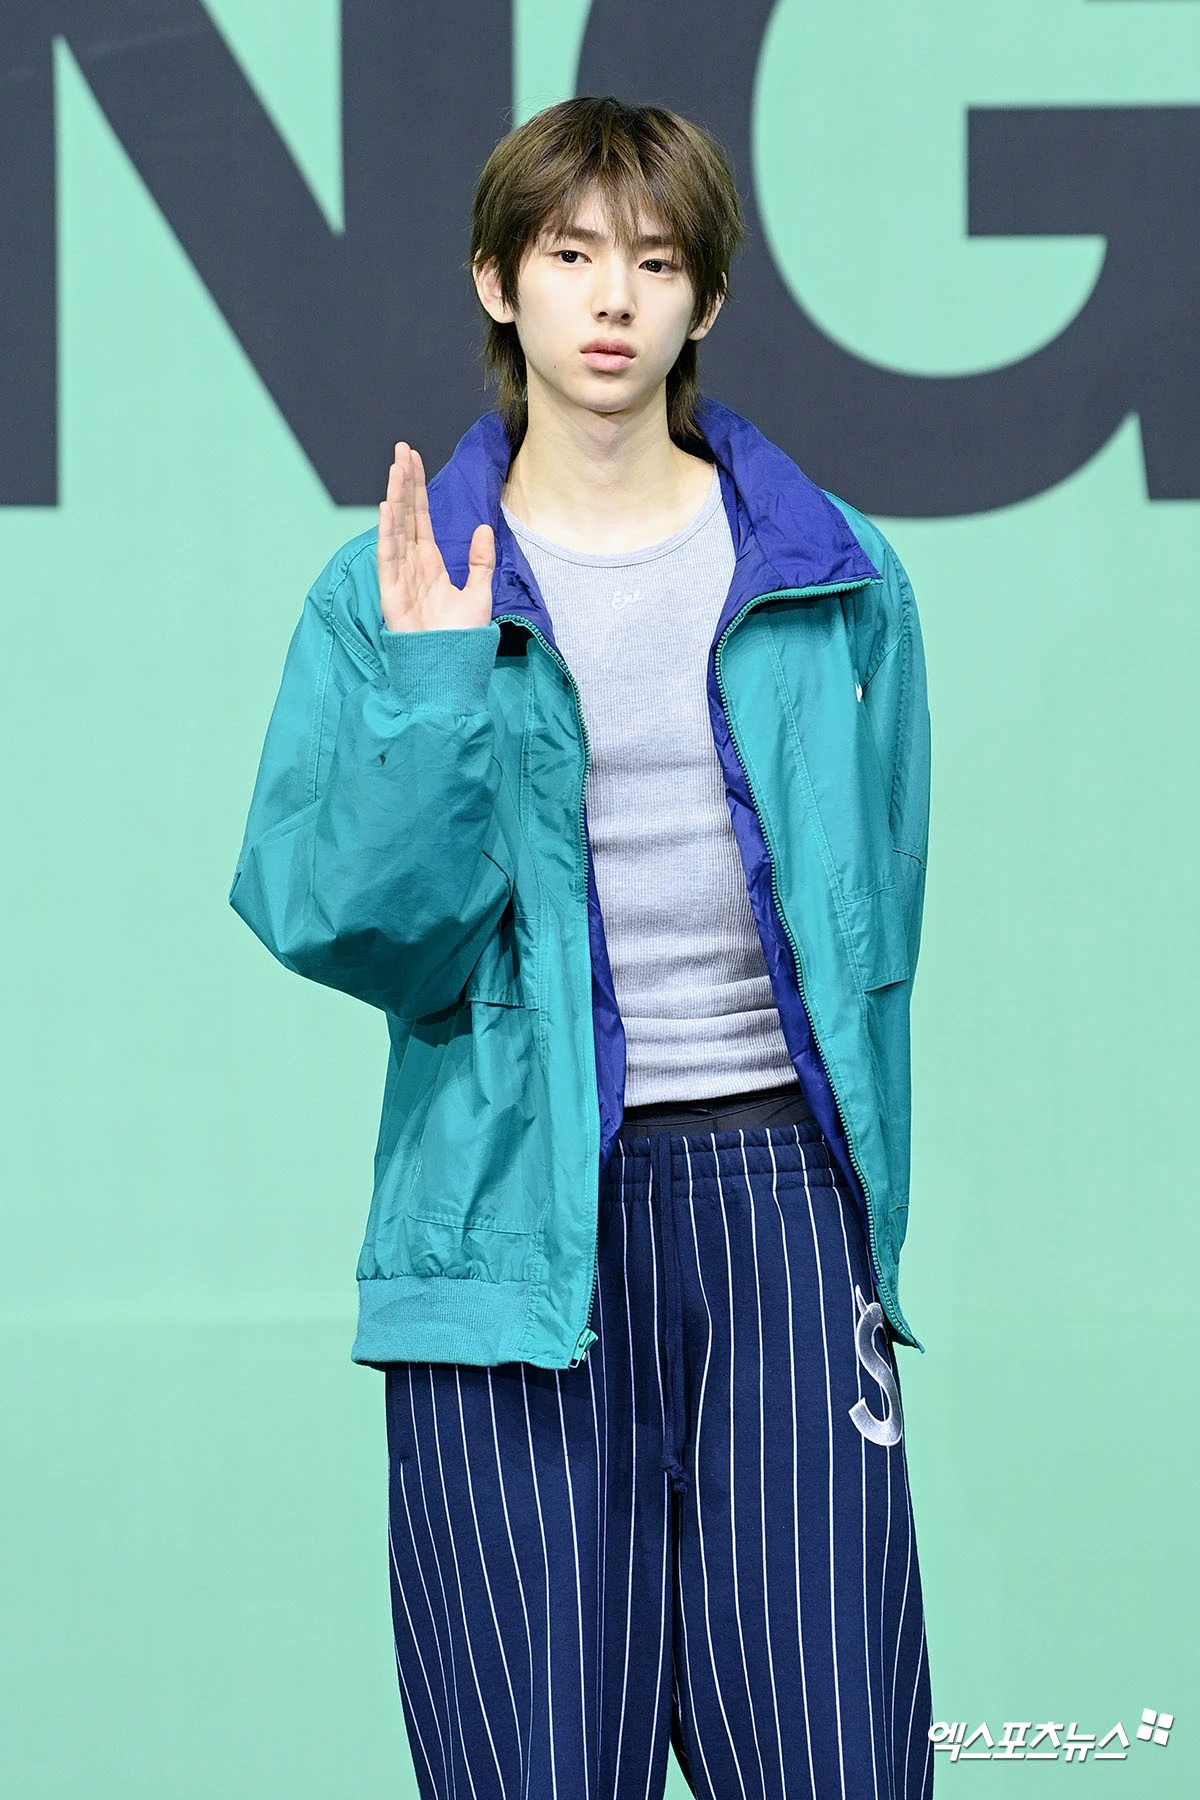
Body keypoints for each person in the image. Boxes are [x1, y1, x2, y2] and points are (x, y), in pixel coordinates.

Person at [231, 94, 933, 1800]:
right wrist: (430, 687)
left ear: (707, 301)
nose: (614, 297)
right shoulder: (391, 591)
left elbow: (879, 909)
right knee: (532, 1762)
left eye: (657, 262)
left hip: (780, 1204)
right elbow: (351, 929)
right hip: (509, 1220)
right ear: (497, 283)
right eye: (569, 256)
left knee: (840, 1754)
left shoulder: (839, 576)